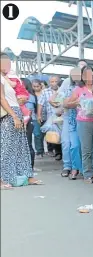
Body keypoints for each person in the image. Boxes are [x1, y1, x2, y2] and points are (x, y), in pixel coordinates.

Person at [0, 52, 42, 189]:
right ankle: (2, 179)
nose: (7, 65)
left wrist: (20, 101)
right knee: (6, 148)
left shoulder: (9, 78)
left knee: (21, 147)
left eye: (8, 62)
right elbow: (1, 99)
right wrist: (14, 116)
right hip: (9, 114)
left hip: (16, 111)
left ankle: (27, 175)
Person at [68, 65, 93, 185]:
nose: (90, 77)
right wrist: (77, 102)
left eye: (92, 74)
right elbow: (68, 103)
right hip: (84, 122)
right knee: (86, 150)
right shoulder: (79, 90)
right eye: (86, 75)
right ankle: (88, 174)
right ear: (82, 77)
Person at [60, 67, 83, 179]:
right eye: (73, 74)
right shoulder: (67, 86)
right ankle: (68, 166)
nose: (76, 77)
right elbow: (62, 102)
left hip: (82, 118)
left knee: (78, 145)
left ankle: (79, 167)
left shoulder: (85, 86)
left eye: (78, 74)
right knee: (66, 143)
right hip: (69, 117)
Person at [37, 75, 62, 160]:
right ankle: (58, 152)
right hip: (51, 117)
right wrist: (39, 115)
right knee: (55, 134)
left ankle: (63, 153)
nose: (54, 83)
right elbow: (40, 104)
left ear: (58, 82)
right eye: (52, 81)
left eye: (55, 81)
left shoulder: (62, 90)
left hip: (63, 116)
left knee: (63, 135)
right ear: (49, 82)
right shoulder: (45, 92)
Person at [21, 78, 37, 169]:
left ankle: (30, 167)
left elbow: (30, 111)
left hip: (27, 121)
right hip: (22, 121)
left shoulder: (29, 96)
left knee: (28, 144)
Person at [31, 79, 45, 158]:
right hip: (35, 117)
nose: (36, 88)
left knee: (45, 134)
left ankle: (50, 150)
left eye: (37, 86)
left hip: (45, 116)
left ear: (41, 85)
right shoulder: (31, 95)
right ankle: (39, 151)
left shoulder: (44, 93)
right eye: (34, 86)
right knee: (37, 134)